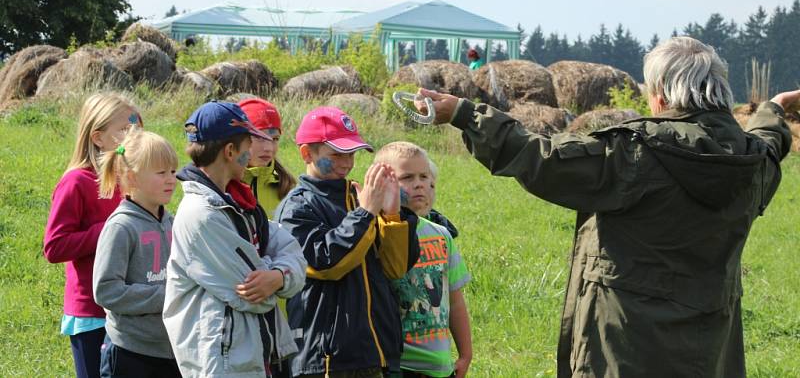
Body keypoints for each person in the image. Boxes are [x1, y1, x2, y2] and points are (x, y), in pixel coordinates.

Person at [415, 36, 799, 377]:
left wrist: (465, 114)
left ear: (662, 93)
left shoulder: (641, 152)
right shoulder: (752, 161)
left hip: (626, 344)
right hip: (709, 346)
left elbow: (543, 157)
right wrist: (774, 107)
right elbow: (769, 138)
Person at [163, 101, 307, 377]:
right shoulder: (202, 214)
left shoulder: (240, 203)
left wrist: (277, 276)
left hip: (253, 357)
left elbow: (292, 250)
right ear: (230, 151)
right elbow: (253, 296)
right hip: (222, 364)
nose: (251, 154)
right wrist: (278, 271)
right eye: (246, 148)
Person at [275, 107, 420, 378]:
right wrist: (365, 214)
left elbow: (395, 268)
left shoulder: (360, 197)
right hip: (327, 359)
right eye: (336, 155)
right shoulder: (297, 208)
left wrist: (391, 215)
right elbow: (328, 265)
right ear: (307, 153)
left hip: (375, 352)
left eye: (351, 154)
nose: (347, 163)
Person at [43, 92, 142, 378]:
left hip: (130, 310)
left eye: (138, 128)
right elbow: (55, 246)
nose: (134, 136)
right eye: (125, 129)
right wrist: (108, 231)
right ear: (98, 137)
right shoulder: (77, 181)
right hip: (92, 312)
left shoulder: (134, 181)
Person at [373, 142, 472, 378]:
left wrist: (465, 354)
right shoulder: (376, 232)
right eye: (407, 177)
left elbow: (455, 299)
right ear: (383, 183)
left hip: (440, 367)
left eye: (424, 176)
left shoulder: (441, 235)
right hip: (396, 364)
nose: (419, 183)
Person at [92, 129, 181, 377]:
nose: (171, 179)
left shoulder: (173, 222)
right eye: (161, 173)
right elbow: (106, 290)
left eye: (173, 172)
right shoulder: (121, 227)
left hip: (171, 348)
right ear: (132, 178)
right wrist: (167, 296)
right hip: (130, 351)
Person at [237, 96, 297, 218]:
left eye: (275, 139)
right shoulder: (223, 187)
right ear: (238, 139)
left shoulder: (287, 188)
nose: (268, 148)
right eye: (259, 137)